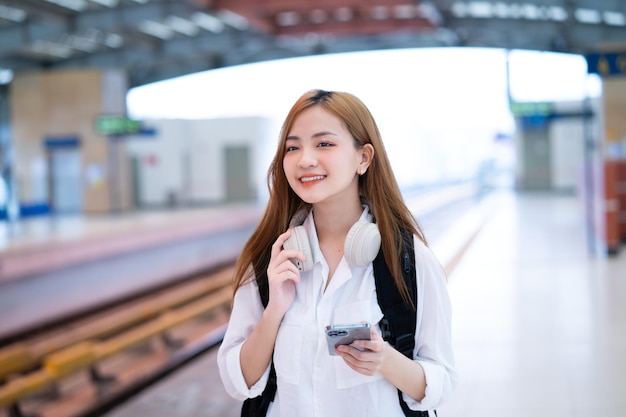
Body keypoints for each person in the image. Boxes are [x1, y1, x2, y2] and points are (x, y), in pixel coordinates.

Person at [217, 89, 456, 417]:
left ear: (364, 158)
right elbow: (238, 383)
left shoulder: (409, 261)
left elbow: (441, 383)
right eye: (293, 147)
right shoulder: (268, 260)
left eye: (324, 144)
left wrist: (385, 360)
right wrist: (274, 311)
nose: (305, 159)